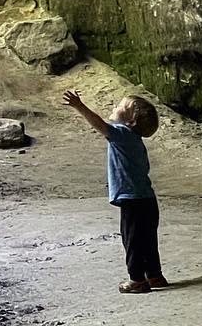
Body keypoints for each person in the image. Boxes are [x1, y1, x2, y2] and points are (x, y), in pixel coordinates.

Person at [62, 88, 166, 293]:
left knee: (132, 241)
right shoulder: (135, 141)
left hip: (132, 200)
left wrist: (79, 106)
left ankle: (137, 280)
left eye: (121, 106)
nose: (115, 107)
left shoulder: (122, 135)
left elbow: (99, 124)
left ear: (131, 121)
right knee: (148, 240)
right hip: (147, 199)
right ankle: (154, 275)